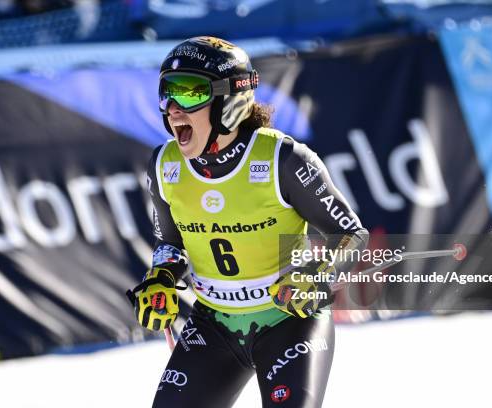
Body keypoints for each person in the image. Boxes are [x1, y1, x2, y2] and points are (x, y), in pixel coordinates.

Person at [128, 36, 369, 408]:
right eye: (167, 94)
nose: (173, 109)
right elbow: (170, 245)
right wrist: (160, 278)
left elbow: (351, 234)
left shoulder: (282, 159)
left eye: (190, 94)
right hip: (213, 324)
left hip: (289, 321)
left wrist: (317, 275)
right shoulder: (164, 165)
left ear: (229, 101)